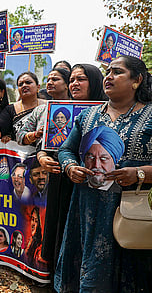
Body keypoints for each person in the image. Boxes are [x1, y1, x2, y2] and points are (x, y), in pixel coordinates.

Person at [55, 56, 152, 292]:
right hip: (87, 212)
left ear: (137, 80)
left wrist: (139, 173)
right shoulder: (87, 116)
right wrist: (70, 167)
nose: (108, 77)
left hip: (132, 214)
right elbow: (66, 149)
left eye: (116, 72)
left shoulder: (150, 116)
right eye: (107, 72)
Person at [39, 63, 107, 274]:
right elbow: (45, 145)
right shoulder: (60, 110)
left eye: (81, 79)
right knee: (62, 232)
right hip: (62, 182)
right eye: (72, 80)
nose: (74, 84)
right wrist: (42, 156)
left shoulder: (108, 111)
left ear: (94, 81)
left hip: (94, 187)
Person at [17, 68, 71, 149]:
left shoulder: (79, 108)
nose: (49, 83)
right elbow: (20, 136)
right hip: (43, 158)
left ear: (67, 84)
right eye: (48, 80)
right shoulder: (40, 110)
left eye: (55, 79)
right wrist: (36, 134)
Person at [0, 71, 46, 142]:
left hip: (43, 149)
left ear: (38, 87)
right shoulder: (10, 109)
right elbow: (1, 131)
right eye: (20, 84)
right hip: (19, 150)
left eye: (28, 82)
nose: (24, 85)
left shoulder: (47, 106)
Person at [80, 126, 124, 191]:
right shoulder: (78, 191)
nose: (96, 165)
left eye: (103, 159)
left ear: (115, 160)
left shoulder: (124, 192)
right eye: (90, 158)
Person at [24, 206, 47, 270]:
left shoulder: (41, 249)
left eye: (36, 221)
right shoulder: (31, 241)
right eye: (32, 219)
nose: (33, 224)